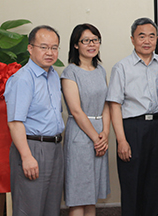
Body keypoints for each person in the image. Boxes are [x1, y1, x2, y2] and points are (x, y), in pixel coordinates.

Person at [106, 18, 158, 216]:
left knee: (155, 183)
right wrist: (121, 140)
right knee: (131, 184)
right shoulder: (122, 67)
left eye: (152, 36)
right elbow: (114, 105)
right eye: (141, 36)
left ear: (157, 39)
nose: (147, 41)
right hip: (132, 129)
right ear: (132, 39)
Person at [4, 25, 64, 216]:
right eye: (44, 47)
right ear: (30, 48)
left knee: (52, 208)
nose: (50, 52)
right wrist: (26, 157)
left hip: (55, 148)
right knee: (29, 208)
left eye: (54, 48)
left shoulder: (53, 76)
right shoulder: (23, 79)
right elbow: (15, 122)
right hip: (32, 147)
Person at [61, 23, 110, 216]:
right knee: (78, 195)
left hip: (99, 134)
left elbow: (106, 104)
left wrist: (105, 132)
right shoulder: (70, 72)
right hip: (80, 135)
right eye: (86, 41)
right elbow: (76, 110)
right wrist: (96, 138)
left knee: (92, 196)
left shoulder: (101, 71)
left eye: (95, 40)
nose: (92, 44)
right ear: (76, 45)